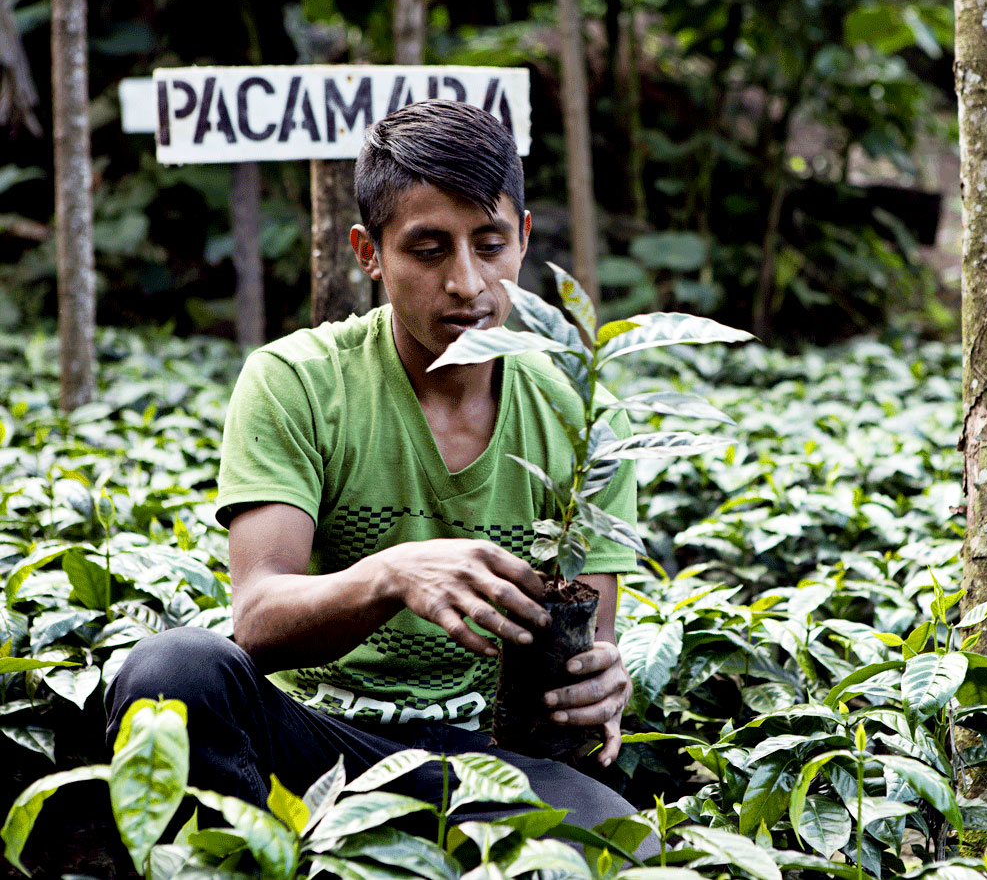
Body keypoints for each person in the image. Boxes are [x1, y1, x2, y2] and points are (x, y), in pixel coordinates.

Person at [104, 99, 647, 837]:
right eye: (428, 250)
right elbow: (258, 617)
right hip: (314, 739)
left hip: (483, 762)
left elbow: (586, 647)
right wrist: (393, 575)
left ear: (522, 240)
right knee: (171, 675)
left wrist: (600, 686)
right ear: (369, 252)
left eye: (489, 245)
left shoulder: (582, 419)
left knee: (618, 836)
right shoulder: (295, 380)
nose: (466, 283)